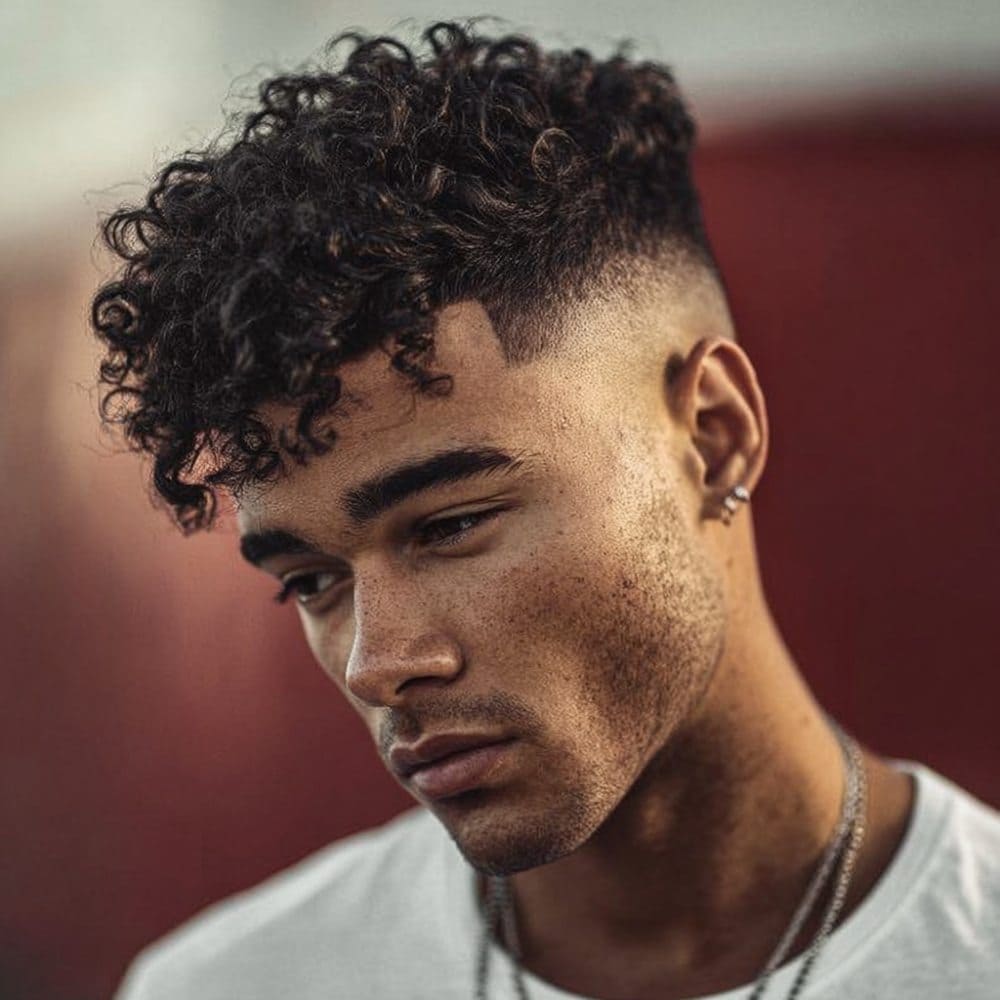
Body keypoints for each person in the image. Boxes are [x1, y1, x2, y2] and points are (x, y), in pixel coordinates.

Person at [92, 19, 1000, 1000]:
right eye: (312, 581)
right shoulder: (234, 986)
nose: (380, 662)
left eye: (449, 525)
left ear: (713, 436)